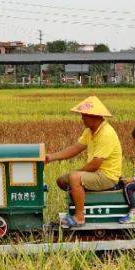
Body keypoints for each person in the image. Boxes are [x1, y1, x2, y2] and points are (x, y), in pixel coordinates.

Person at [46, 96, 123, 228]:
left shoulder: (106, 133)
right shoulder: (90, 131)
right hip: (97, 173)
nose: (82, 119)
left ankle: (80, 216)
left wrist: (76, 173)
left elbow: (95, 165)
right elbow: (75, 148)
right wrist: (51, 157)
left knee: (74, 177)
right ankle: (79, 203)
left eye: (84, 116)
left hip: (107, 176)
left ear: (95, 116)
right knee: (61, 180)